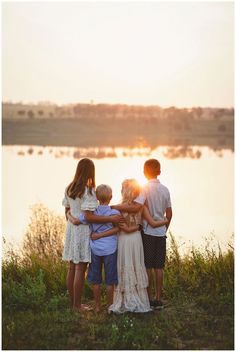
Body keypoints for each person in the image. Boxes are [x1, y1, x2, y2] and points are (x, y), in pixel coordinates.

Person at [62, 158, 121, 312]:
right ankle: (77, 305)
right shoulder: (88, 192)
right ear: (90, 172)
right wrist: (110, 218)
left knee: (72, 267)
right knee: (80, 268)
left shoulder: (69, 188)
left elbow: (66, 211)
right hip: (82, 231)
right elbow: (89, 217)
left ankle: (73, 303)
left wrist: (72, 218)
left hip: (71, 230)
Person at [112, 159, 172, 310]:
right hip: (160, 232)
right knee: (159, 267)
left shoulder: (144, 189)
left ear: (144, 172)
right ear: (159, 171)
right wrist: (164, 229)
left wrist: (114, 206)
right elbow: (169, 213)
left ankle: (148, 297)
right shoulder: (165, 189)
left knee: (147, 266)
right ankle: (158, 298)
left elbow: (135, 207)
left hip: (147, 232)